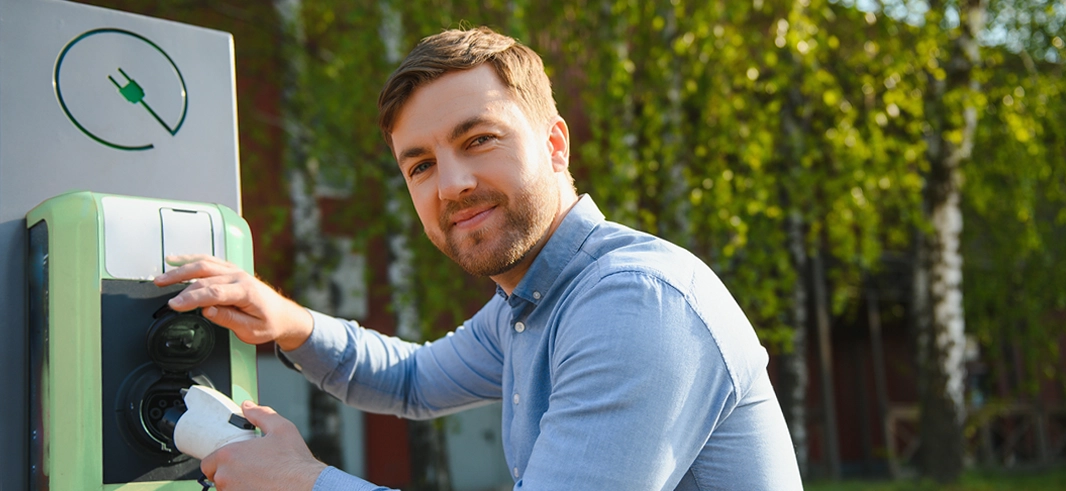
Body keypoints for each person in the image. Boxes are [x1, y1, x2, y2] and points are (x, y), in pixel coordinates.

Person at [154, 26, 802, 491]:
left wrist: (306, 482)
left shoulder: (633, 302)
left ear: (555, 145)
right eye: (421, 165)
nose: (452, 184)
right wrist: (286, 321)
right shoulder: (530, 302)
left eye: (479, 139)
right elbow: (411, 380)